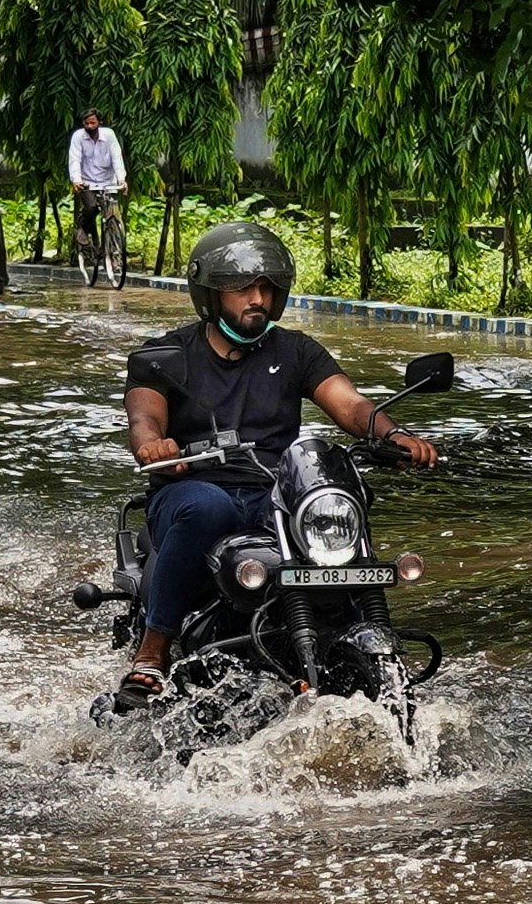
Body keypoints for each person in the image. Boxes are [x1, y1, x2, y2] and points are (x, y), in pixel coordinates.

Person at [107, 220, 437, 712]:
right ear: (211, 294)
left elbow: (347, 404)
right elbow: (144, 414)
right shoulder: (165, 356)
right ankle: (153, 650)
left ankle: (365, 639)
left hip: (273, 494)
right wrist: (154, 444)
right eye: (242, 288)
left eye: (266, 287)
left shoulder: (297, 351)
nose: (257, 298)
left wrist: (390, 434)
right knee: (208, 508)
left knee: (337, 504)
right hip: (189, 486)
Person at [68, 111, 132, 287]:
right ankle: (82, 228)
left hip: (108, 182)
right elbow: (74, 159)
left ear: (99, 123)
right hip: (87, 183)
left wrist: (121, 179)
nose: (90, 127)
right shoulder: (78, 137)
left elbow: (117, 158)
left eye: (93, 123)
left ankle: (114, 254)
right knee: (91, 208)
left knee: (113, 215)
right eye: (86, 124)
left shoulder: (109, 135)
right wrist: (76, 180)